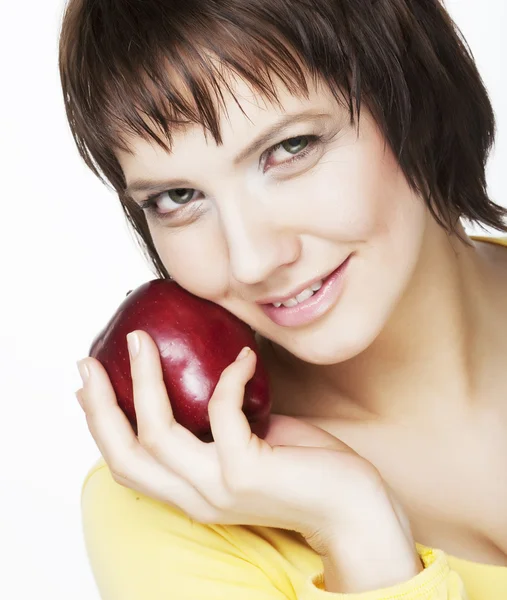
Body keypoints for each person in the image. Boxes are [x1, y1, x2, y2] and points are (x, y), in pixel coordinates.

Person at [60, 0, 507, 598]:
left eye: (291, 148)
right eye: (178, 196)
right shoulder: (176, 507)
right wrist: (353, 528)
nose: (250, 260)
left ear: (412, 94)